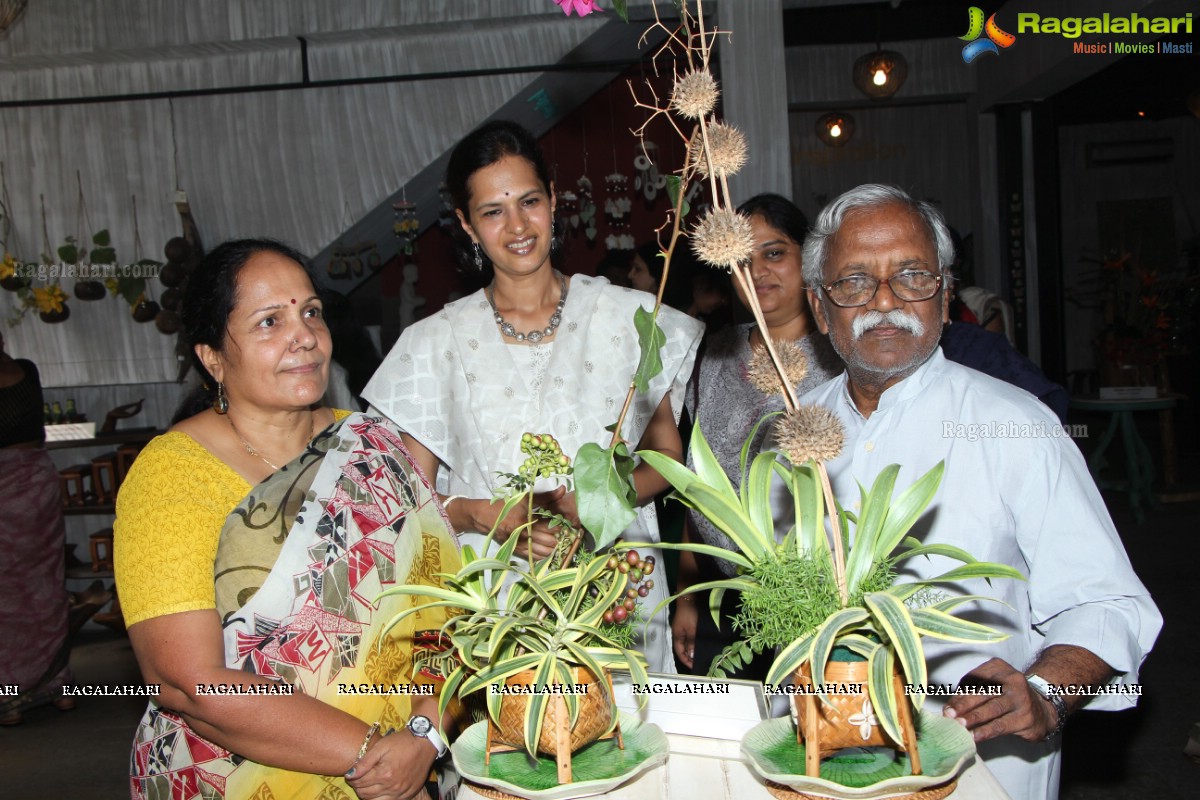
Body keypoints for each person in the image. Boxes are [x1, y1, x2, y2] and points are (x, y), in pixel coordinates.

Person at [798, 184, 1161, 800]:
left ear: (943, 291)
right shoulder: (795, 431)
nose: (885, 302)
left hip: (978, 766)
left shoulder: (1013, 424)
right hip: (827, 758)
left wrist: (1046, 694)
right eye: (854, 282)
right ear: (818, 305)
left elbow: (1106, 602)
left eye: (911, 276)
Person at [114, 239, 459, 800]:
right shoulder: (172, 476)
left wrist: (422, 737)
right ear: (213, 357)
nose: (304, 335)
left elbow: (442, 614)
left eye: (311, 312)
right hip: (235, 776)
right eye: (269, 321)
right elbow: (188, 683)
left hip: (406, 759)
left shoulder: (370, 444)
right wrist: (374, 757)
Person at [363, 120, 703, 674]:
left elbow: (668, 459)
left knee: (627, 747)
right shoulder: (431, 345)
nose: (517, 225)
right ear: (467, 225)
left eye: (529, 201)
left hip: (616, 592)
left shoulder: (623, 318)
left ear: (553, 203)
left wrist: (597, 505)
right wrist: (480, 515)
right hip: (493, 607)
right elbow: (408, 502)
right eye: (493, 211)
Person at [671, 193, 841, 678]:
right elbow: (698, 482)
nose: (758, 271)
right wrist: (689, 595)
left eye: (774, 252)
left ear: (807, 257)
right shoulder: (717, 352)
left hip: (816, 604)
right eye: (743, 259)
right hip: (725, 602)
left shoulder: (839, 356)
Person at [0, 331, 75, 725]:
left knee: (8, 597)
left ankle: (10, 696)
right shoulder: (26, 370)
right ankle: (58, 686)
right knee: (46, 583)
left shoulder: (27, 370)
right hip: (35, 480)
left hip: (14, 488)